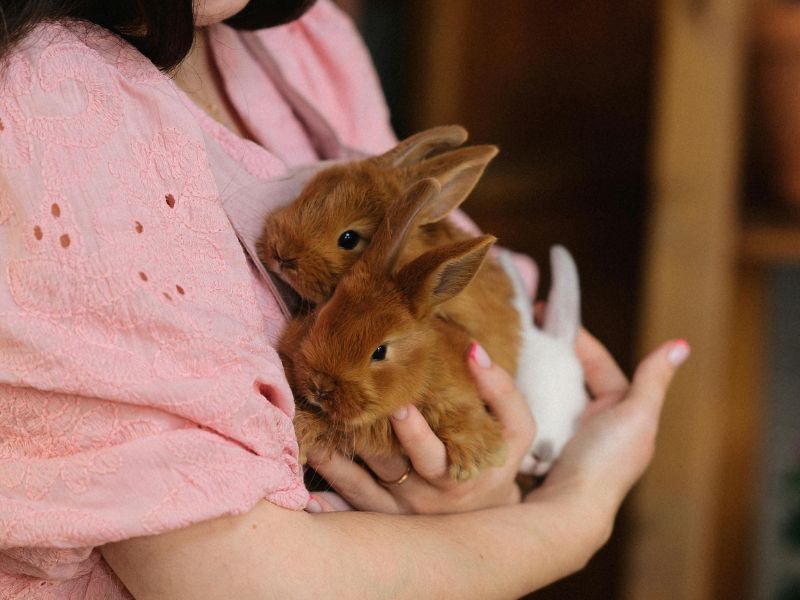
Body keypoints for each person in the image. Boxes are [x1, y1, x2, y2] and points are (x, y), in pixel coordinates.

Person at [0, 0, 690, 598]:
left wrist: (489, 480)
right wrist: (574, 517)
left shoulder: (301, 39)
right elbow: (240, 580)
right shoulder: (46, 102)